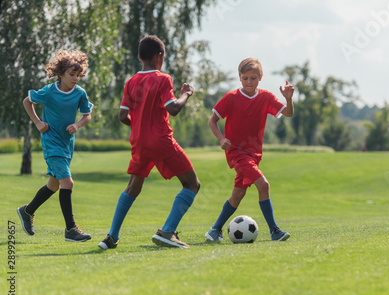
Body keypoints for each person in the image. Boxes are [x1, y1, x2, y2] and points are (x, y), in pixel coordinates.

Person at [98, 35, 199, 250]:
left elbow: (123, 116)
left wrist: (139, 127)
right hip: (161, 141)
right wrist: (187, 94)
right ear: (159, 56)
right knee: (192, 184)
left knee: (133, 187)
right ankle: (167, 232)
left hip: (139, 142)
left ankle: (111, 237)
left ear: (139, 56)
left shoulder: (131, 82)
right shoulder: (163, 78)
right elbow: (173, 108)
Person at [205, 58, 294, 242]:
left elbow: (288, 113)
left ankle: (214, 230)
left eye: (253, 78)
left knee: (238, 194)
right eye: (245, 78)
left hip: (254, 155)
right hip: (237, 154)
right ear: (239, 78)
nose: (248, 82)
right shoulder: (231, 98)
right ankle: (275, 231)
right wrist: (221, 139)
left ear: (260, 77)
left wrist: (288, 99)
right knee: (264, 185)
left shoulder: (266, 97)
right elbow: (212, 120)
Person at [17, 49, 93, 242]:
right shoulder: (49, 91)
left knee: (53, 185)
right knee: (68, 183)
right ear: (61, 73)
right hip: (51, 143)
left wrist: (77, 125)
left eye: (78, 75)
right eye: (72, 74)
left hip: (67, 144)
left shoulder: (80, 93)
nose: (76, 78)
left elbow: (87, 115)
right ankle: (70, 230)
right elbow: (27, 101)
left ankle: (27, 211)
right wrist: (38, 123)